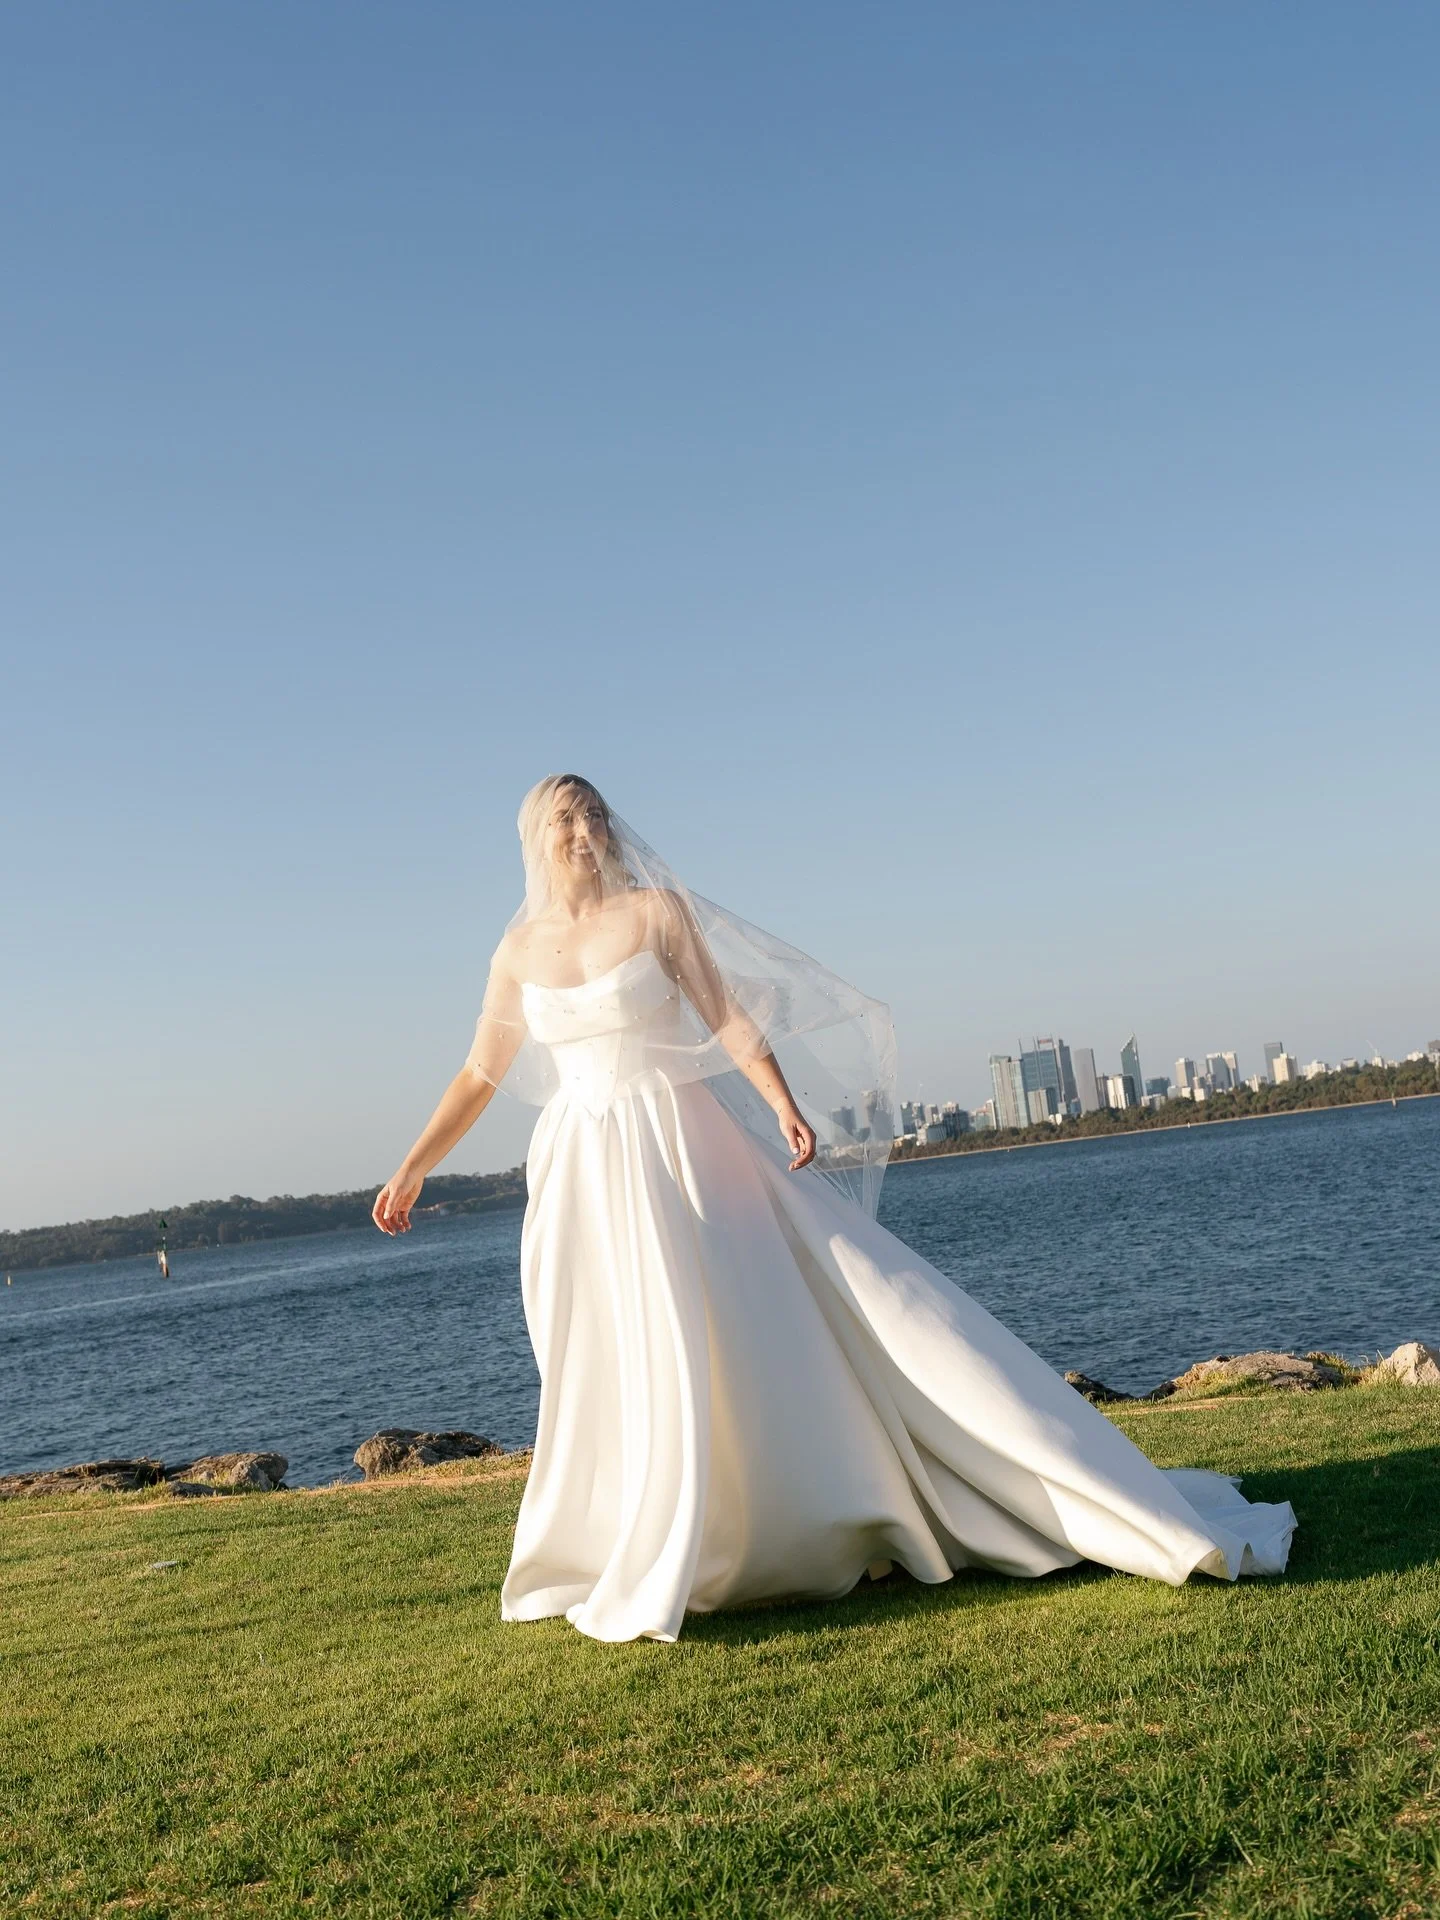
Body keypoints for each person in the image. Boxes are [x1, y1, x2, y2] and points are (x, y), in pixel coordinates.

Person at [373, 775, 1294, 1643]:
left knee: (725, 1317)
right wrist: (414, 1167)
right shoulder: (517, 952)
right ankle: (629, 1530)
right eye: (566, 821)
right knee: (604, 1343)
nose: (587, 834)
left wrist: (780, 1103)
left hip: (678, 1143)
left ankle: (780, 1511)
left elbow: (727, 1017)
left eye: (596, 816)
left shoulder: (654, 914)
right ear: (535, 840)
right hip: (582, 1162)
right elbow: (480, 1071)